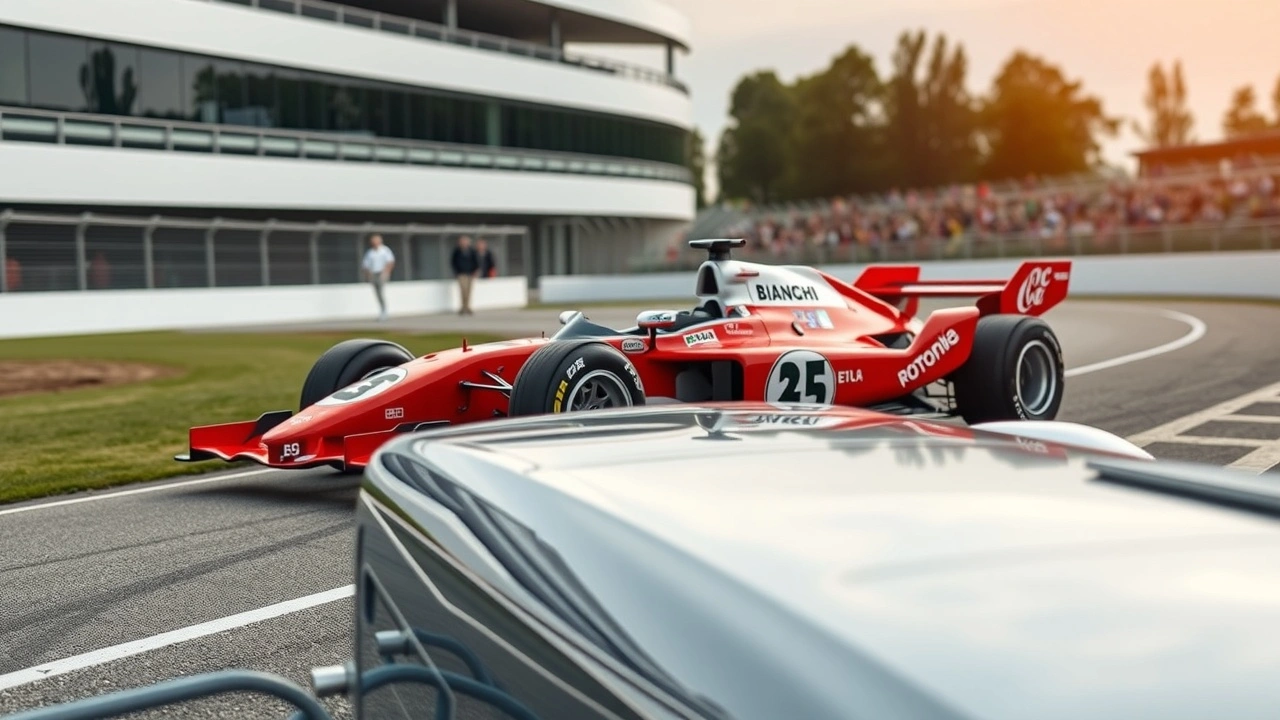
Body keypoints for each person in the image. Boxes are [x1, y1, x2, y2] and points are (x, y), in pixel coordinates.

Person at [361, 234, 395, 321]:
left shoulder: (385, 250)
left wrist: (386, 272)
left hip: (382, 273)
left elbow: (390, 262)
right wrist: (368, 275)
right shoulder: (370, 252)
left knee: (380, 291)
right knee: (377, 293)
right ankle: (382, 310)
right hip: (374, 274)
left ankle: (384, 311)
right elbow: (366, 265)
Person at [450, 235, 480, 315]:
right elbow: (453, 262)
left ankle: (467, 307)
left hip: (470, 273)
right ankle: (463, 307)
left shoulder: (472, 251)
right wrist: (456, 272)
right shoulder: (457, 251)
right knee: (463, 290)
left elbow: (476, 261)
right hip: (461, 273)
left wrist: (476, 270)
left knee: (469, 291)